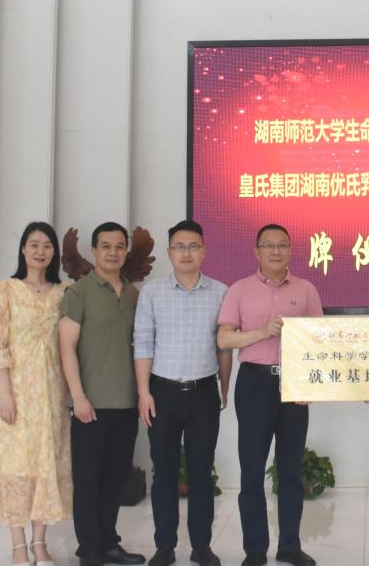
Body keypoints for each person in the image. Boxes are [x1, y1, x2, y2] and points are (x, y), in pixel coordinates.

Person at [217, 224, 323, 566]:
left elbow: (319, 341)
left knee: (290, 471)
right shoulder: (239, 290)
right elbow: (224, 339)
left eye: (282, 245)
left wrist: (310, 385)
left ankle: (290, 546)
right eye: (269, 245)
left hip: (294, 385)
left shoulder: (306, 290)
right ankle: (255, 550)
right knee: (251, 471)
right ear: (257, 251)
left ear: (291, 250)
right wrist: (262, 332)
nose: (276, 251)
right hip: (254, 383)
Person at [134, 220, 231, 566]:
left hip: (203, 392)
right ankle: (165, 546)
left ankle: (201, 546)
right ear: (169, 252)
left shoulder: (221, 292)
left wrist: (224, 387)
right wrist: (143, 392)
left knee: (202, 472)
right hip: (162, 392)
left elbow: (224, 347)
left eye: (193, 246)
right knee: (164, 472)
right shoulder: (152, 293)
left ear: (204, 251)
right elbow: (143, 343)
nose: (186, 253)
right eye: (179, 246)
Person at [0, 222, 71, 566]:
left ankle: (40, 543)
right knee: (15, 467)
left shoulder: (64, 292)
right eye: (34, 244)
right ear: (23, 249)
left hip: (52, 394)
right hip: (15, 391)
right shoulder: (8, 289)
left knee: (47, 464)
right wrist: (5, 394)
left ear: (54, 252)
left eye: (47, 245)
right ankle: (18, 545)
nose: (40, 251)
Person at [59, 222, 145, 566]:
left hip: (127, 404)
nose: (113, 252)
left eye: (119, 246)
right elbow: (66, 348)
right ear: (94, 251)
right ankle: (90, 550)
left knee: (115, 480)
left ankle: (109, 543)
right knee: (88, 481)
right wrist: (78, 397)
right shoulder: (78, 292)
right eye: (106, 246)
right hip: (90, 405)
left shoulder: (134, 294)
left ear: (126, 251)